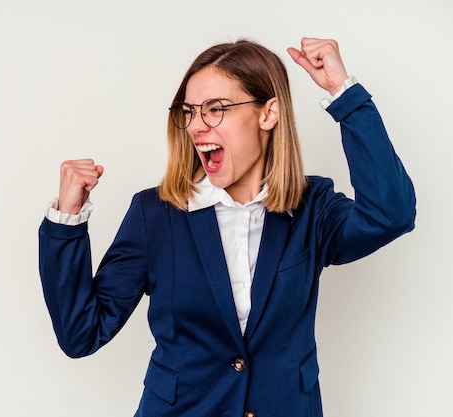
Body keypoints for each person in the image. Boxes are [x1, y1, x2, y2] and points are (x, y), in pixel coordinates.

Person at [38, 37, 416, 417]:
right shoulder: (155, 214)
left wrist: (343, 93)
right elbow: (81, 334)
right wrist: (66, 219)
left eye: (215, 109)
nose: (197, 126)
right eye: (189, 112)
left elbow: (390, 215)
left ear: (269, 114)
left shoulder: (311, 207)